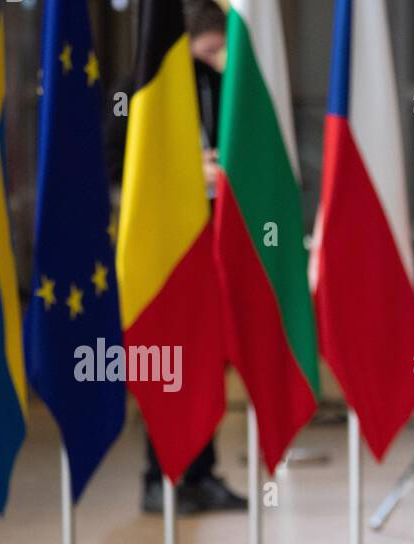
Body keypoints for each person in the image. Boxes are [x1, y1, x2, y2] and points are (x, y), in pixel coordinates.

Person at [106, 0, 246, 515]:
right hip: (159, 247)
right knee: (165, 360)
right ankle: (158, 476)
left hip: (208, 242)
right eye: (210, 45)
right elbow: (119, 164)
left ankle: (202, 473)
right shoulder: (138, 88)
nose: (218, 54)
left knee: (207, 357)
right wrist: (190, 172)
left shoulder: (213, 81)